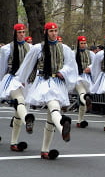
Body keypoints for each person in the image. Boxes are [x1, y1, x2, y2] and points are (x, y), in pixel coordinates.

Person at [16, 22, 77, 160]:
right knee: (54, 106)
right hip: (44, 81)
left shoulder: (65, 48)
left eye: (55, 31)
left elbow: (71, 66)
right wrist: (23, 80)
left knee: (51, 117)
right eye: (51, 31)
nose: (54, 33)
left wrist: (63, 72)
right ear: (46, 32)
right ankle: (63, 128)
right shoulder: (38, 48)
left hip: (58, 81)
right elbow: (28, 64)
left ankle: (45, 150)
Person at [0, 23, 35, 152]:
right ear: (15, 34)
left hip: (25, 81)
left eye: (23, 32)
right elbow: (2, 67)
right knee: (19, 100)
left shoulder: (31, 48)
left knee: (19, 111)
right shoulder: (7, 49)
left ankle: (14, 142)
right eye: (19, 32)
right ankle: (28, 121)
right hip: (12, 79)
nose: (22, 34)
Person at [74, 36, 95, 128]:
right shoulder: (73, 53)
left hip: (87, 77)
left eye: (84, 43)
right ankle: (86, 100)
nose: (83, 45)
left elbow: (95, 64)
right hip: (77, 77)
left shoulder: (90, 54)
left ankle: (80, 120)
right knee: (82, 92)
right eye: (81, 43)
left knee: (83, 95)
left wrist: (89, 68)